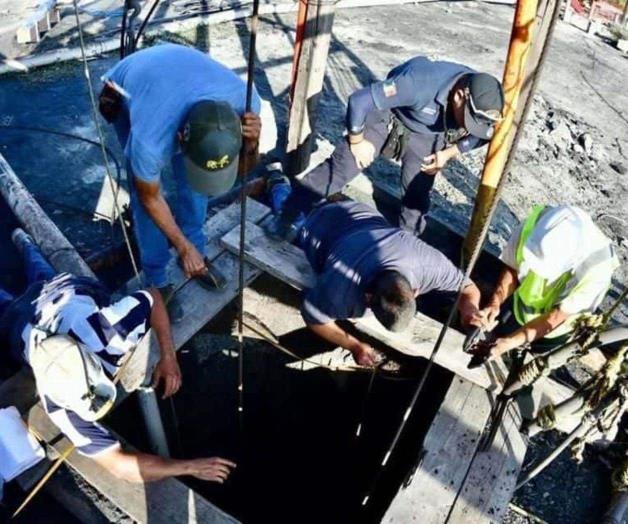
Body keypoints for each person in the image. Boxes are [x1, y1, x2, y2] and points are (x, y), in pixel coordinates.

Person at [0, 229, 235, 483]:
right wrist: (189, 468)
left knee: (39, 274)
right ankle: (25, 245)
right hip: (20, 321)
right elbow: (122, 467)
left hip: (58, 292)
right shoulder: (59, 403)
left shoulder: (106, 333)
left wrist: (169, 357)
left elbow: (154, 298)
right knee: (30, 280)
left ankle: (25, 242)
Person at [100, 43, 262, 322]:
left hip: (178, 76)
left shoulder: (247, 107)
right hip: (126, 86)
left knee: (195, 185)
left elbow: (245, 168)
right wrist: (180, 244)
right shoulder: (151, 141)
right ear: (179, 139)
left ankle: (196, 253)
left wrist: (252, 143)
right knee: (145, 196)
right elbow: (150, 198)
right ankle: (157, 280)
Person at [269, 56, 504, 240]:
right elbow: (359, 101)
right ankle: (289, 215)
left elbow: (484, 135)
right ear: (460, 96)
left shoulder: (484, 100)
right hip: (388, 116)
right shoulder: (418, 83)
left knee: (417, 193)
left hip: (428, 135)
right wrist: (357, 141)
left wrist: (449, 153)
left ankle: (405, 243)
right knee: (341, 167)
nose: (471, 127)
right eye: (469, 120)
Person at [273, 193, 483, 366]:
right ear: (367, 297)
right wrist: (354, 346)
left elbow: (468, 287)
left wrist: (469, 310)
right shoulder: (341, 291)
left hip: (356, 212)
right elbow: (312, 315)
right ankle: (275, 182)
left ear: (415, 291)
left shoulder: (429, 264)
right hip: (315, 226)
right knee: (283, 217)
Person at [468, 205, 619, 362]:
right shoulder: (537, 225)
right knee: (504, 333)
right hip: (518, 309)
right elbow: (513, 267)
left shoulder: (598, 269)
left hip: (554, 331)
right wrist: (495, 303)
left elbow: (556, 316)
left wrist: (509, 343)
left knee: (537, 361)